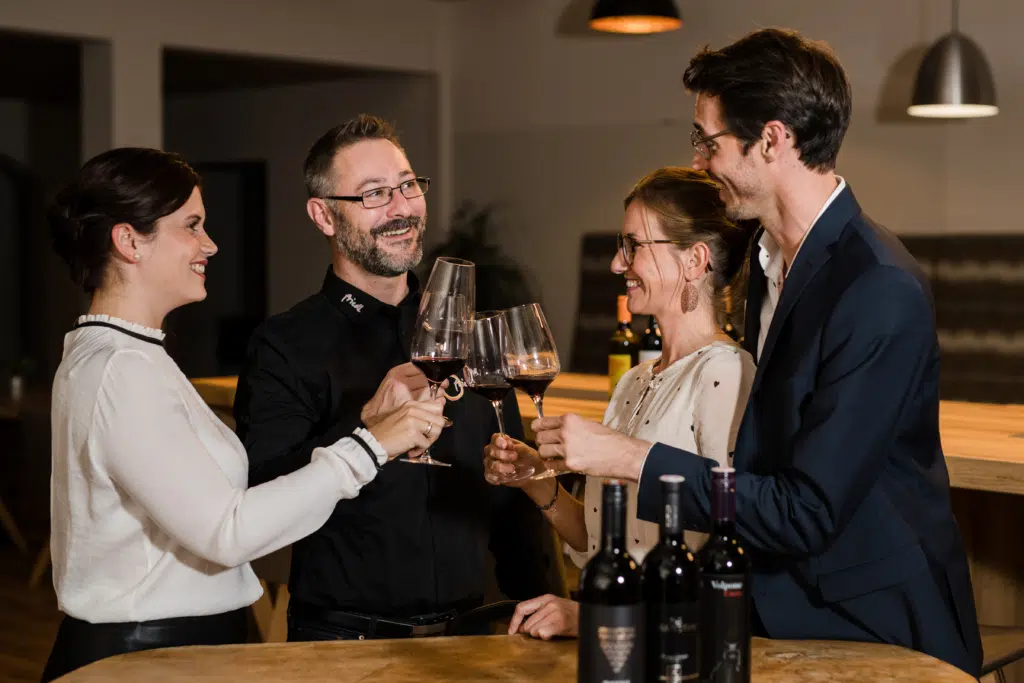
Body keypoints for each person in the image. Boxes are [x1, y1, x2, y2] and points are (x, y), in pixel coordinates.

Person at [526, 28, 982, 677]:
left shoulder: (877, 285)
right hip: (773, 618)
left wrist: (627, 456)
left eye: (709, 142)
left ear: (771, 140)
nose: (700, 163)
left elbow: (805, 512)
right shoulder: (766, 264)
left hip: (871, 633)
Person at [41, 147, 445, 681]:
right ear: (129, 241)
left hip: (174, 650)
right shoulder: (120, 368)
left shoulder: (123, 356)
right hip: (146, 659)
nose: (209, 244)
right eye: (191, 226)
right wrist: (371, 447)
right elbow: (227, 532)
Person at [233, 114, 552, 642]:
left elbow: (510, 496)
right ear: (324, 216)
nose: (402, 208)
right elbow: (263, 501)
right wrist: (364, 430)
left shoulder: (469, 333)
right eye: (374, 194)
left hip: (471, 640)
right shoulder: (283, 345)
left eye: (407, 186)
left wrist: (540, 604)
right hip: (343, 648)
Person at [487, 167, 755, 640]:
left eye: (633, 245)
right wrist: (537, 483)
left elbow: (728, 563)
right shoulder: (633, 381)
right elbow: (599, 543)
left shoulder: (725, 373)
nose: (616, 263)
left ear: (694, 260)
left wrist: (592, 618)